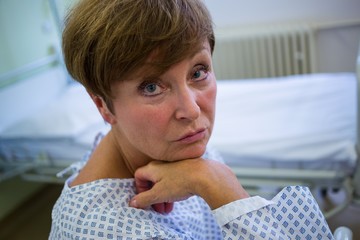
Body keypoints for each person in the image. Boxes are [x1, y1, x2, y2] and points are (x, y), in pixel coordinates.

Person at [49, 0, 335, 239]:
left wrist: (207, 179)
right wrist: (218, 184)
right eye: (152, 87)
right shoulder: (106, 232)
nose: (192, 110)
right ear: (103, 105)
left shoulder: (165, 147)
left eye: (198, 72)